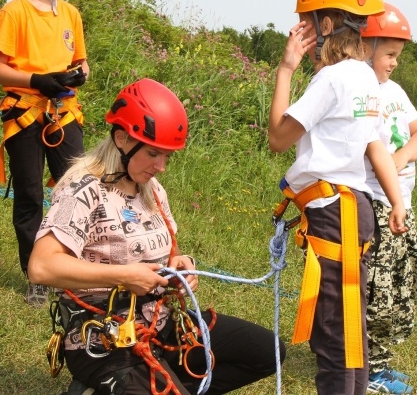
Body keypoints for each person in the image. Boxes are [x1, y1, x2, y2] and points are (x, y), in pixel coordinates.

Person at [28, 78, 285, 394]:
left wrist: (181, 264)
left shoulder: (152, 191)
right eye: (153, 154)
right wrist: (123, 277)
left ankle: (166, 385)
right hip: (103, 335)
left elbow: (167, 255)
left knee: (266, 351)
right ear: (122, 139)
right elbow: (41, 267)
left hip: (161, 323)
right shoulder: (84, 190)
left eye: (167, 156)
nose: (161, 166)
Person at [268, 0, 408, 395]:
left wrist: (286, 70)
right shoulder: (367, 78)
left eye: (308, 25)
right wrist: (397, 201)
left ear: (326, 24)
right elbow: (376, 146)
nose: (304, 35)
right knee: (350, 330)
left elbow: (278, 137)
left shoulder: (331, 79)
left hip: (333, 212)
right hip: (356, 209)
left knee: (332, 333)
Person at [0, 0, 89, 306]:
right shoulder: (13, 14)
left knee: (77, 191)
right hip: (26, 114)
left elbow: (81, 60)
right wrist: (37, 80)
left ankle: (76, 270)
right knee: (30, 194)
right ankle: (37, 275)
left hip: (64, 113)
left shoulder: (71, 14)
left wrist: (77, 76)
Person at [360, 3, 417, 394]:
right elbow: (367, 147)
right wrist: (387, 173)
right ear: (364, 45)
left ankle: (380, 362)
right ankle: (365, 370)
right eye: (389, 54)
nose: (394, 63)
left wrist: (400, 157)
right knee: (376, 290)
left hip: (400, 204)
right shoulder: (358, 92)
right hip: (374, 203)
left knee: (401, 286)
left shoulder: (394, 92)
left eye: (398, 56)